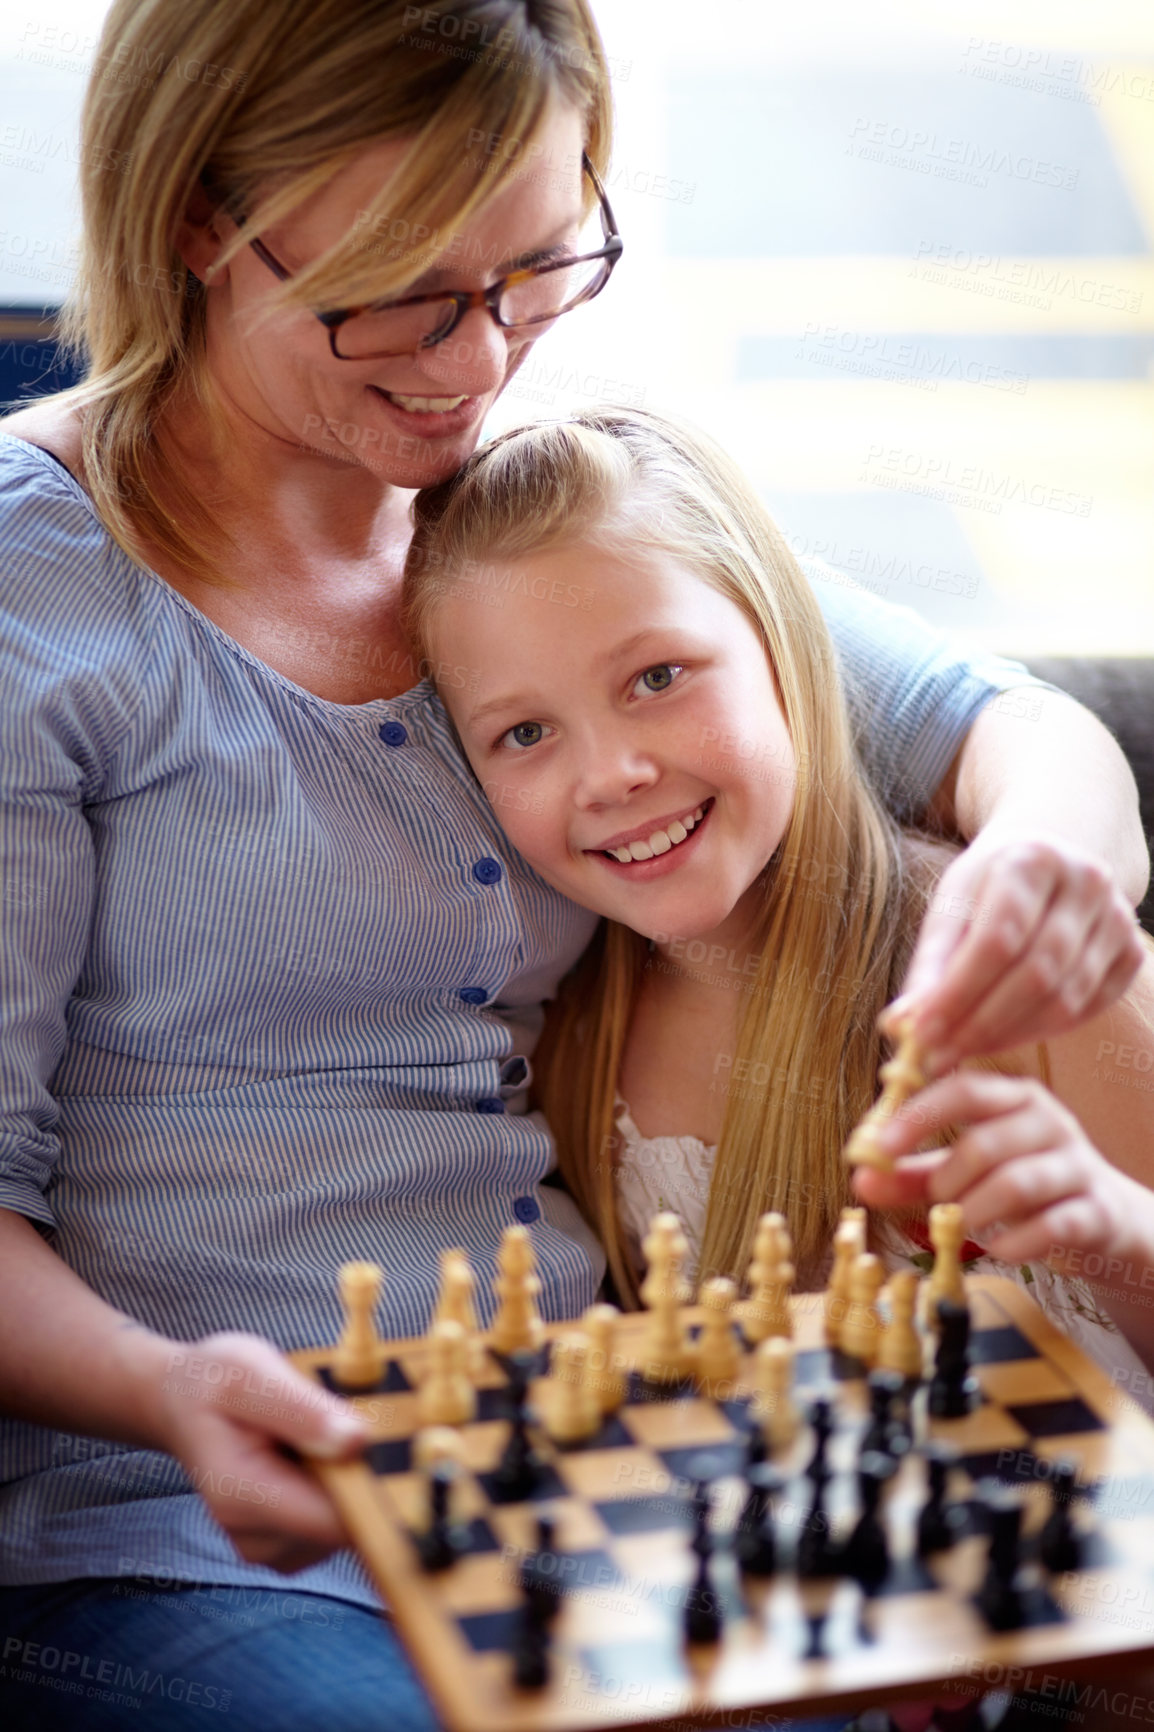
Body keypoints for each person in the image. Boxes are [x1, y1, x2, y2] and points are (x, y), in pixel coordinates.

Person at [0, 1, 1147, 1726]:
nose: (474, 364)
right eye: (398, 290)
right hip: (178, 1534)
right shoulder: (39, 605)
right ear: (193, 220)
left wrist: (1052, 857)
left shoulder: (521, 511)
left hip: (587, 1477)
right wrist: (170, 1393)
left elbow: (989, 722)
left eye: (536, 271)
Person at [402, 404, 1154, 1381]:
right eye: (524, 734)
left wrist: (1117, 1232)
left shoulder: (1010, 975)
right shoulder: (576, 1036)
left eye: (656, 676)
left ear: (784, 646)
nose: (609, 774)